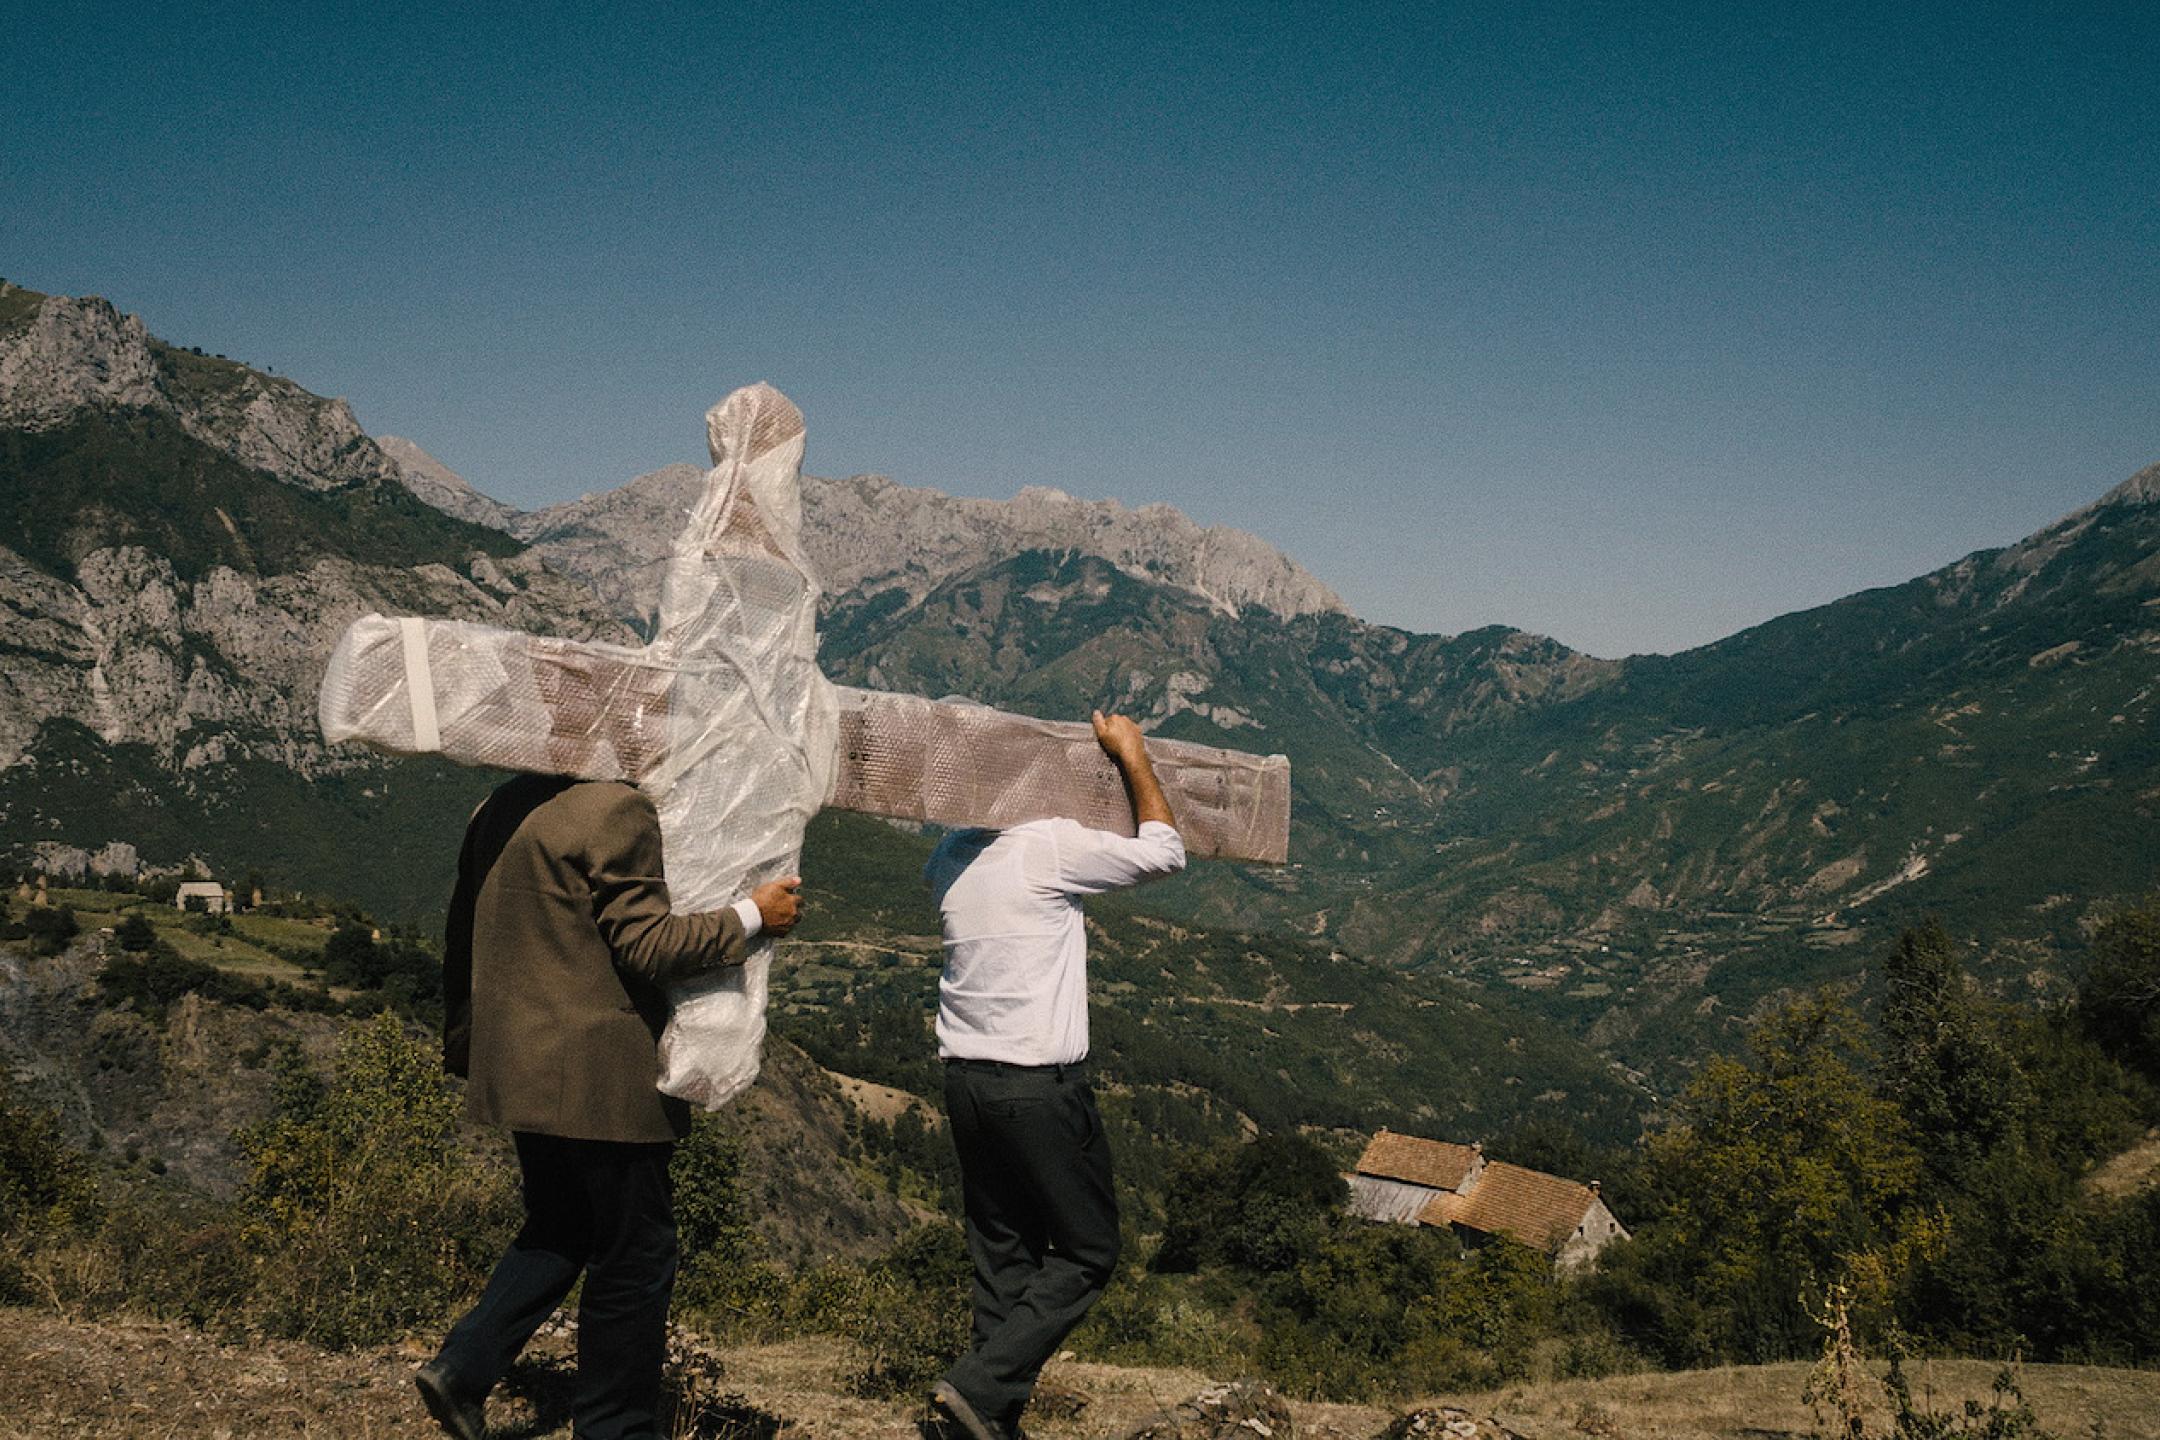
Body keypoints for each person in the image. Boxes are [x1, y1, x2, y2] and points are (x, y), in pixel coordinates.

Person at [414, 774, 803, 1440]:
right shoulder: (617, 808)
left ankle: (464, 1367)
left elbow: (462, 931)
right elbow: (649, 945)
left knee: (561, 1222)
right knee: (637, 1253)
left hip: (519, 1060)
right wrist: (752, 916)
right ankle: (615, 1425)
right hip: (599, 1075)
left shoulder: (501, 804)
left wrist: (464, 1036)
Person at [926, 711, 1186, 1440]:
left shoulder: (948, 853)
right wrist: (1131, 758)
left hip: (965, 1081)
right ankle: (976, 1391)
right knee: (1088, 1249)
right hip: (1036, 1086)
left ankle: (985, 1423)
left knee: (1002, 1256)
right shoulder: (1048, 846)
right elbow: (1166, 852)